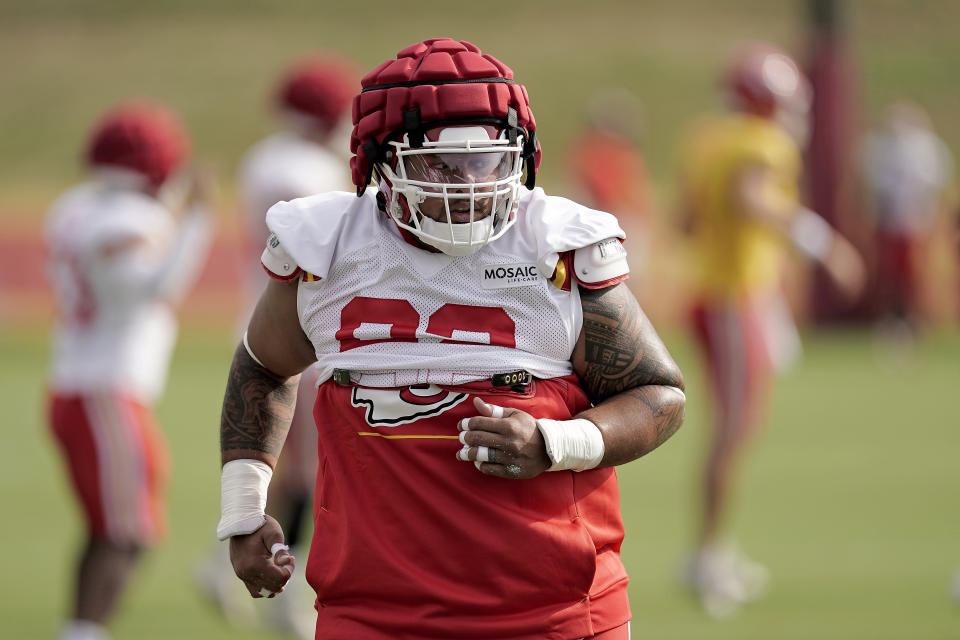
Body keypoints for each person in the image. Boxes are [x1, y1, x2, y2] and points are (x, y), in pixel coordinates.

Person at [214, 38, 686, 639]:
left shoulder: (558, 248)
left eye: (484, 161)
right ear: (380, 162)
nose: (467, 184)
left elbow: (659, 395)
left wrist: (555, 441)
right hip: (374, 613)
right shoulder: (328, 249)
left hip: (554, 612)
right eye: (441, 164)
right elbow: (261, 367)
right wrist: (243, 510)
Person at [676, 44, 865, 617]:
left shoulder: (707, 138)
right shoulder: (761, 142)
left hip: (718, 294)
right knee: (733, 430)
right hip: (734, 299)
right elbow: (750, 196)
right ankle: (706, 557)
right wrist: (822, 243)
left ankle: (715, 550)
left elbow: (686, 222)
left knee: (736, 429)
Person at [197, 55, 357, 639]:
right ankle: (285, 586)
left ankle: (231, 567)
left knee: (290, 473)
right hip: (306, 330)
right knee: (315, 473)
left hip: (267, 319)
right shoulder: (303, 168)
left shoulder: (267, 157)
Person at [46, 101, 212, 640]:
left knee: (109, 527)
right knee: (128, 531)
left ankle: (80, 629)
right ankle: (84, 631)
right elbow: (152, 286)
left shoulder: (75, 207)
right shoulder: (129, 218)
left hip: (80, 382)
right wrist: (196, 223)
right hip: (106, 389)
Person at [860, 101, 955, 335]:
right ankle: (889, 318)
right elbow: (874, 183)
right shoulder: (880, 148)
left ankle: (916, 319)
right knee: (888, 274)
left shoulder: (926, 149)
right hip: (889, 222)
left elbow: (935, 183)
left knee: (915, 273)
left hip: (917, 222)